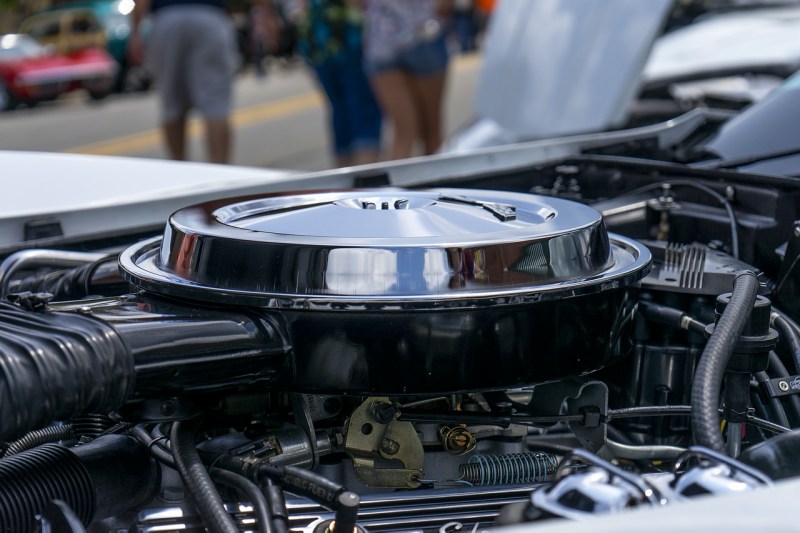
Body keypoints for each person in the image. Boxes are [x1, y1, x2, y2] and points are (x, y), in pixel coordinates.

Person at [128, 0, 276, 164]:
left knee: (172, 105)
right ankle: (220, 171)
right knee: (216, 106)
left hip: (167, 18)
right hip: (209, 16)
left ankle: (179, 169)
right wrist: (268, 13)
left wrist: (135, 34)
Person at [291, 0, 382, 167]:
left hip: (318, 40)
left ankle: (344, 172)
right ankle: (365, 172)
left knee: (340, 113)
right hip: (346, 38)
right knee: (364, 113)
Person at [362, 0, 450, 160]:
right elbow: (445, 5)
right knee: (432, 133)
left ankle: (398, 177)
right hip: (422, 32)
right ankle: (436, 176)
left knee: (403, 135)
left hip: (381, 42)